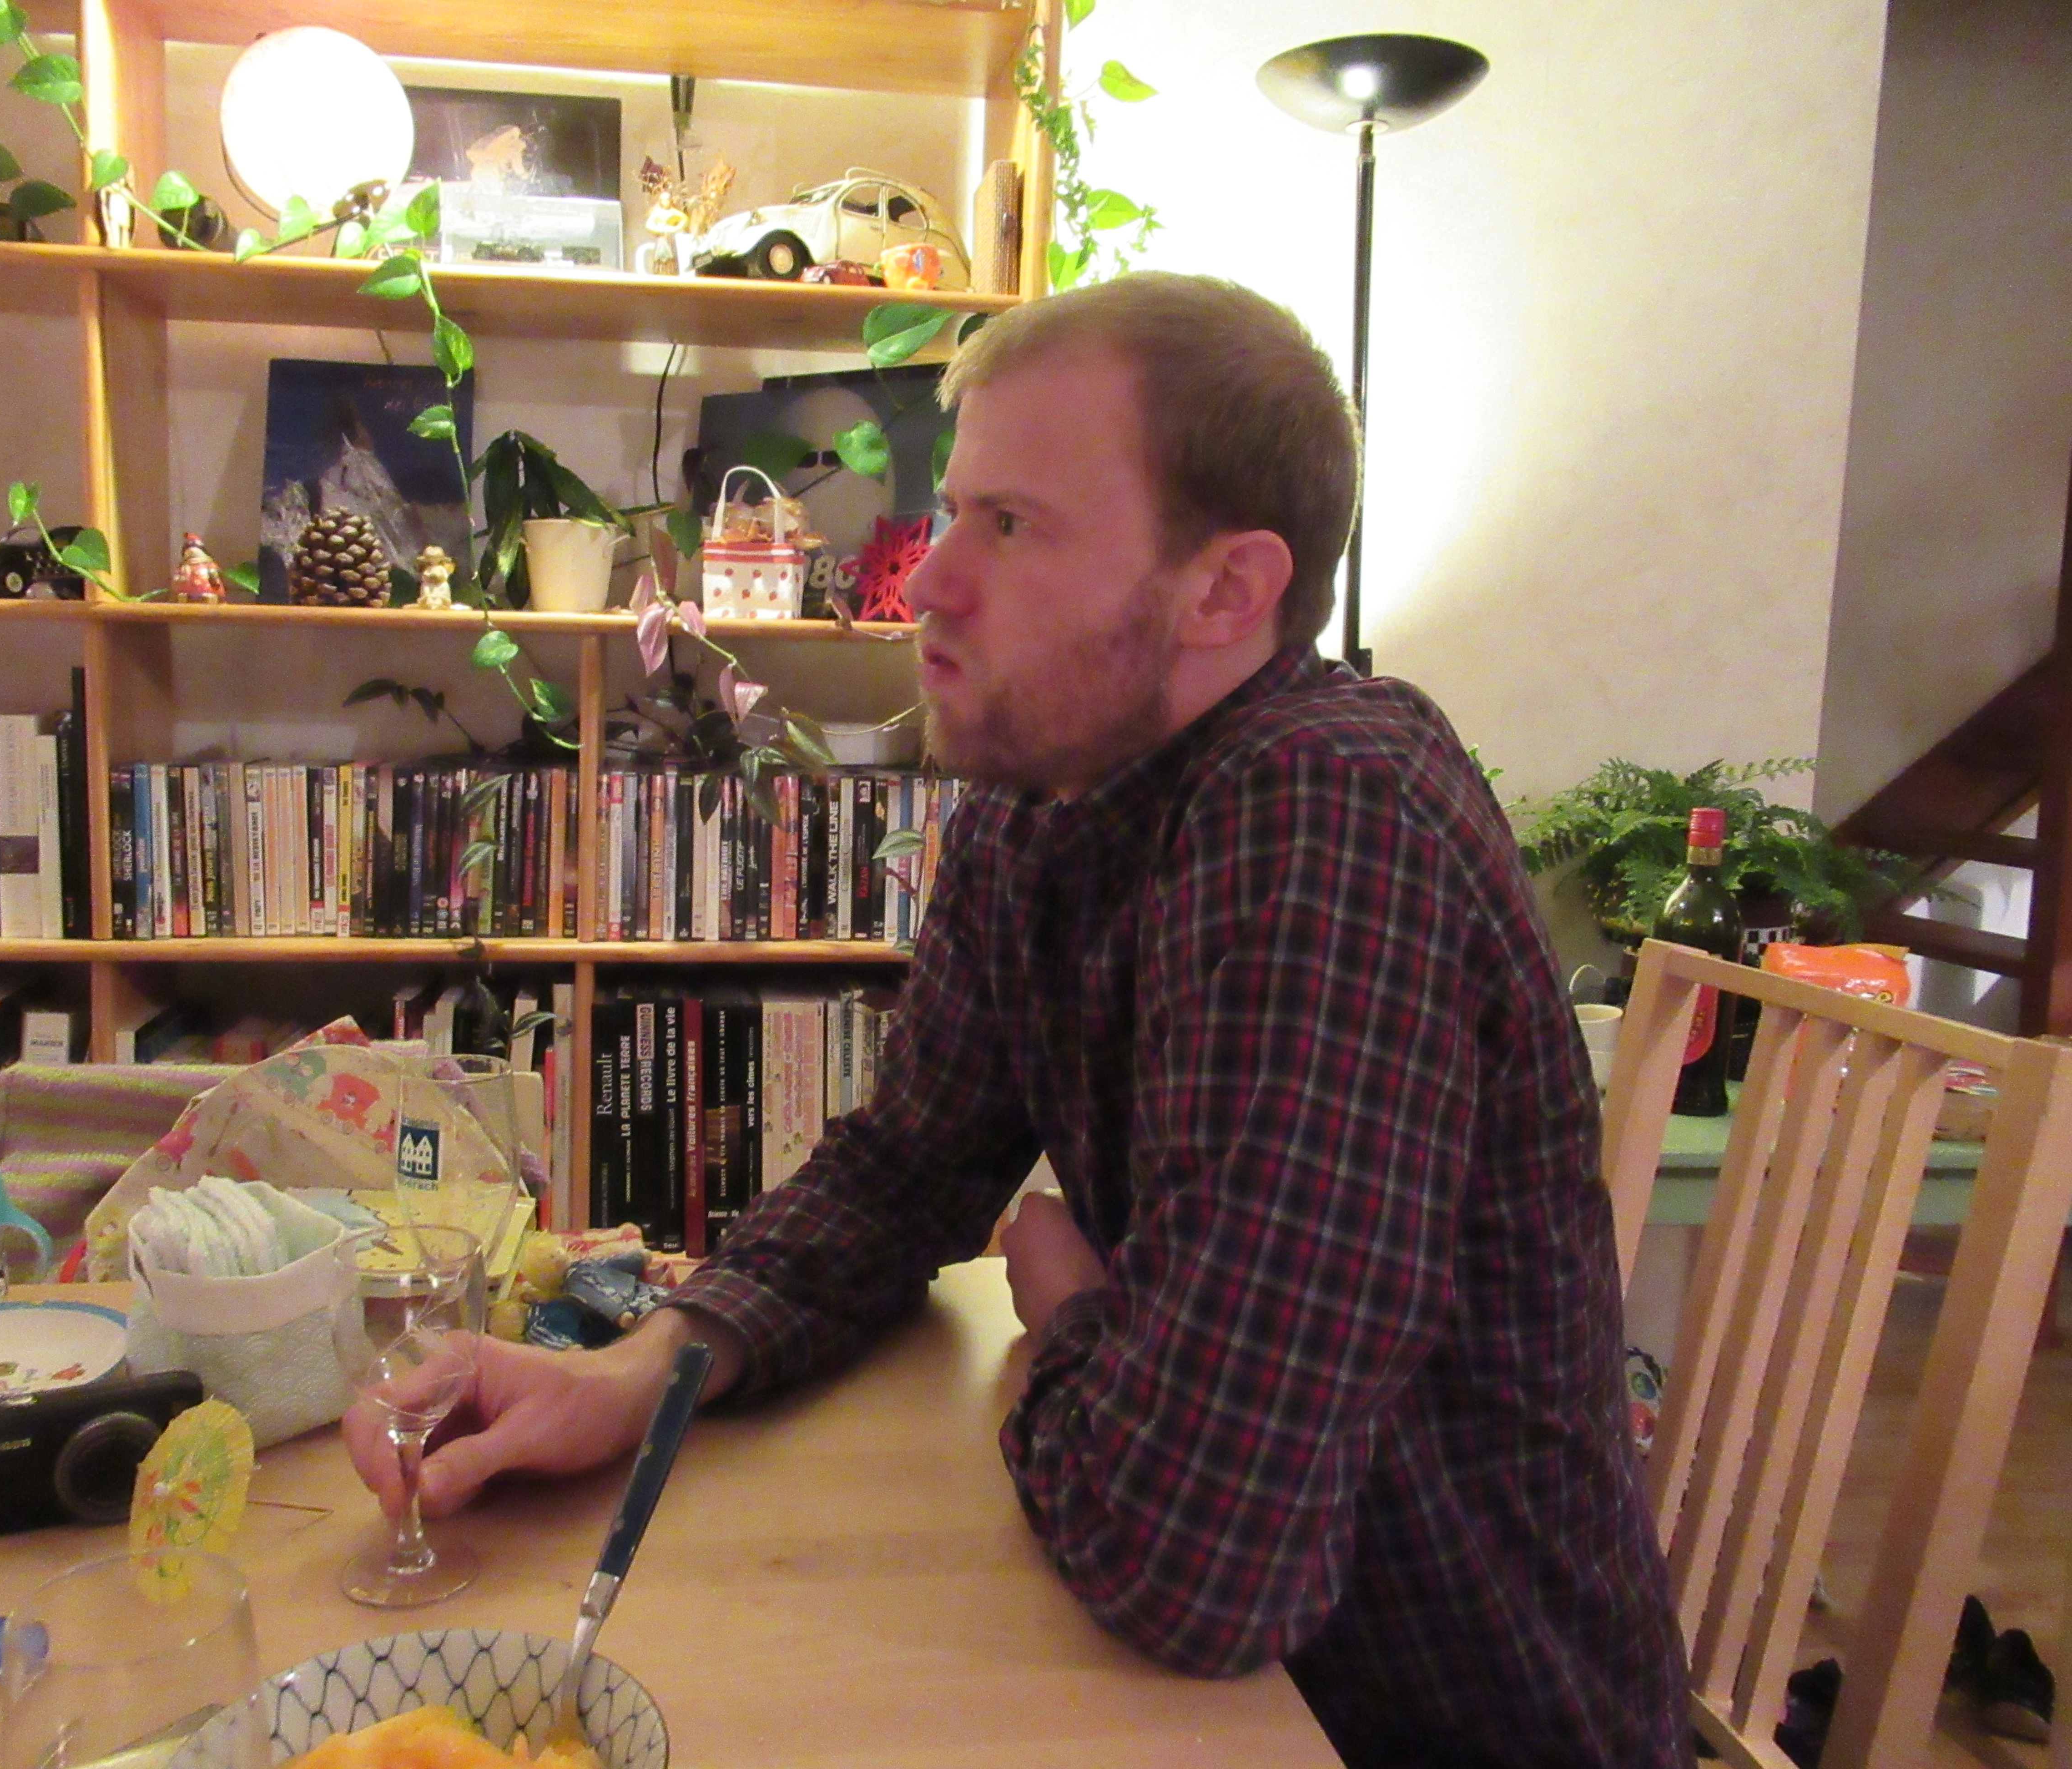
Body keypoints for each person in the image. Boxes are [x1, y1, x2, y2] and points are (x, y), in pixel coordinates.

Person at [346, 271, 1690, 1768]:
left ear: (1225, 592)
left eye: (1011, 525)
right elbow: (903, 1167)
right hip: (1232, 1709)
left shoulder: (1330, 817)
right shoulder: (1049, 797)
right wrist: (638, 1371)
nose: (926, 580)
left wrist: (1062, 1307)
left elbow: (1200, 1561)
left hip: (1440, 1717)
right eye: (953, 512)